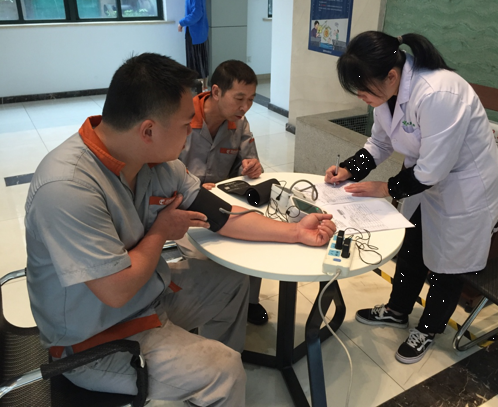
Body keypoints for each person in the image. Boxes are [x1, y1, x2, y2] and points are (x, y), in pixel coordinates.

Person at [25, 53, 336, 405]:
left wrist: (296, 232)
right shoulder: (68, 186)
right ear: (148, 130)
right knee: (225, 370)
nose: (191, 134)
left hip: (148, 299)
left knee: (232, 281)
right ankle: (216, 379)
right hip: (96, 340)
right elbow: (116, 290)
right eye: (187, 125)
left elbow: (222, 215)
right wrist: (160, 232)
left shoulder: (155, 164)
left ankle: (203, 380)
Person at [325, 31, 498, 364]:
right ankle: (397, 310)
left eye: (364, 89)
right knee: (412, 248)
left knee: (447, 266)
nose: (361, 96)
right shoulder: (387, 92)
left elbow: (432, 170)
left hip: (466, 189)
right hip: (425, 181)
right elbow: (380, 143)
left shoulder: (439, 92)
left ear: (391, 76)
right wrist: (349, 168)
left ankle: (428, 329)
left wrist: (386, 188)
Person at [177, 59, 267, 325]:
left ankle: (249, 302)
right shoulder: (181, 119)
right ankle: (208, 306)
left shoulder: (239, 123)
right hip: (184, 206)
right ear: (216, 92)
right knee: (205, 257)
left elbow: (248, 163)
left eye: (250, 100)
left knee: (257, 238)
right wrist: (192, 186)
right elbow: (161, 171)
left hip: (223, 202)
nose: (245, 107)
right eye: (239, 98)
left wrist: (250, 166)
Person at [178, 0, 209, 90]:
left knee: (197, 63)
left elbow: (196, 14)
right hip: (199, 34)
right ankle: (203, 88)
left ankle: (200, 90)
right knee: (201, 62)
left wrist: (181, 23)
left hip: (195, 34)